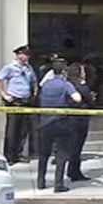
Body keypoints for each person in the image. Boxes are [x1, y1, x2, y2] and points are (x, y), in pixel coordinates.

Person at [36, 59, 82, 193]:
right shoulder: (65, 84)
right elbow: (77, 98)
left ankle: (41, 182)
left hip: (44, 122)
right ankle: (58, 184)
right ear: (63, 72)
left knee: (43, 154)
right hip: (61, 122)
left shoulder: (46, 85)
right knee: (61, 154)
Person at [0, 45, 38, 164]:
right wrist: (4, 95)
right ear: (19, 55)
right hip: (14, 101)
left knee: (23, 130)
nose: (28, 57)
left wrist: (34, 93)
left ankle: (18, 154)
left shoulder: (28, 68)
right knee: (12, 130)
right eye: (25, 54)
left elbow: (34, 81)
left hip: (26, 101)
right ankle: (9, 156)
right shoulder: (10, 68)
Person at [65, 63, 95, 182]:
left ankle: (71, 170)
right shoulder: (81, 86)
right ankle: (74, 172)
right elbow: (90, 101)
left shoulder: (67, 85)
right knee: (77, 147)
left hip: (68, 119)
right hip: (80, 120)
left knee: (72, 146)